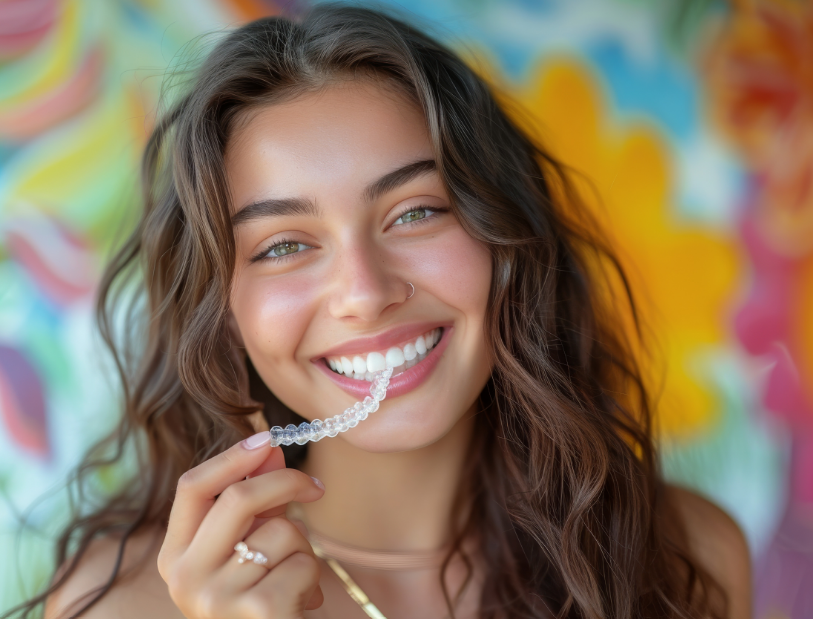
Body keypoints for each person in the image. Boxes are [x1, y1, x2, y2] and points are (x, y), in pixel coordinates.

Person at [11, 4, 750, 618]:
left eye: (416, 212)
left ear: (508, 237)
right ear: (220, 308)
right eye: (282, 246)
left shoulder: (685, 555)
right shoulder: (120, 603)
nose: (365, 292)